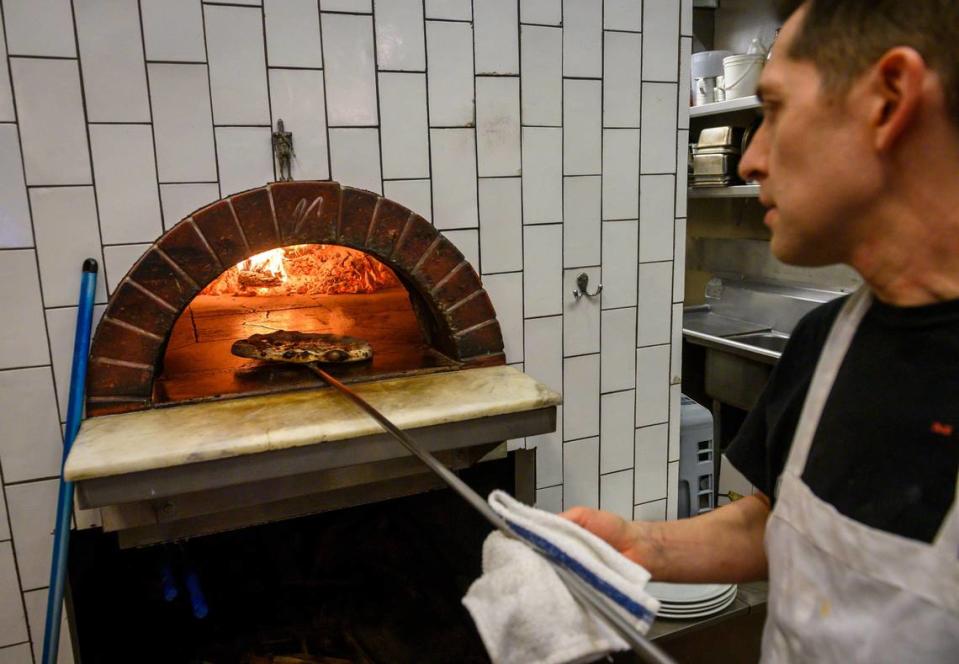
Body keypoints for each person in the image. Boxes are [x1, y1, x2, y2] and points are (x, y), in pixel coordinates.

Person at [563, 1, 959, 661]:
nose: (749, 160)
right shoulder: (825, 337)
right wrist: (636, 545)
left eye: (772, 111)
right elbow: (775, 521)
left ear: (888, 101)